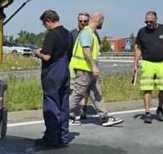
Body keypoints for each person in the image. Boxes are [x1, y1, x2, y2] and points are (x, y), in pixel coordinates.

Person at [69, 11, 122, 127]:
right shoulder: (87, 33)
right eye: (102, 21)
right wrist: (93, 65)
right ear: (99, 21)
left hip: (89, 70)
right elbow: (86, 49)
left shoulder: (91, 33)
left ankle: (104, 117)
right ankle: (64, 115)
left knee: (96, 93)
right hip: (84, 69)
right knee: (78, 93)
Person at [33, 10, 71, 147]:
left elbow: (47, 56)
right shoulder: (68, 34)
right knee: (63, 104)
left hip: (53, 73)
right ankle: (63, 135)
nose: (45, 26)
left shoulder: (52, 35)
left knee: (51, 103)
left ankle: (51, 137)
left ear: (49, 20)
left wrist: (38, 53)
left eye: (45, 24)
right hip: (65, 71)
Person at [133, 11, 163, 122]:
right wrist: (135, 64)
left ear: (156, 19)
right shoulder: (142, 32)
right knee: (146, 88)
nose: (148, 23)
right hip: (148, 63)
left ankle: (160, 108)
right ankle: (147, 113)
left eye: (151, 21)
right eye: (146, 21)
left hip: (162, 63)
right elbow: (138, 48)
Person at [69, 12, 97, 120]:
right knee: (73, 89)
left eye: (85, 21)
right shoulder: (72, 33)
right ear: (78, 21)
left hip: (88, 66)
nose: (83, 23)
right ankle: (70, 111)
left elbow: (97, 46)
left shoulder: (92, 33)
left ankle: (83, 109)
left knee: (85, 89)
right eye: (81, 21)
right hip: (74, 65)